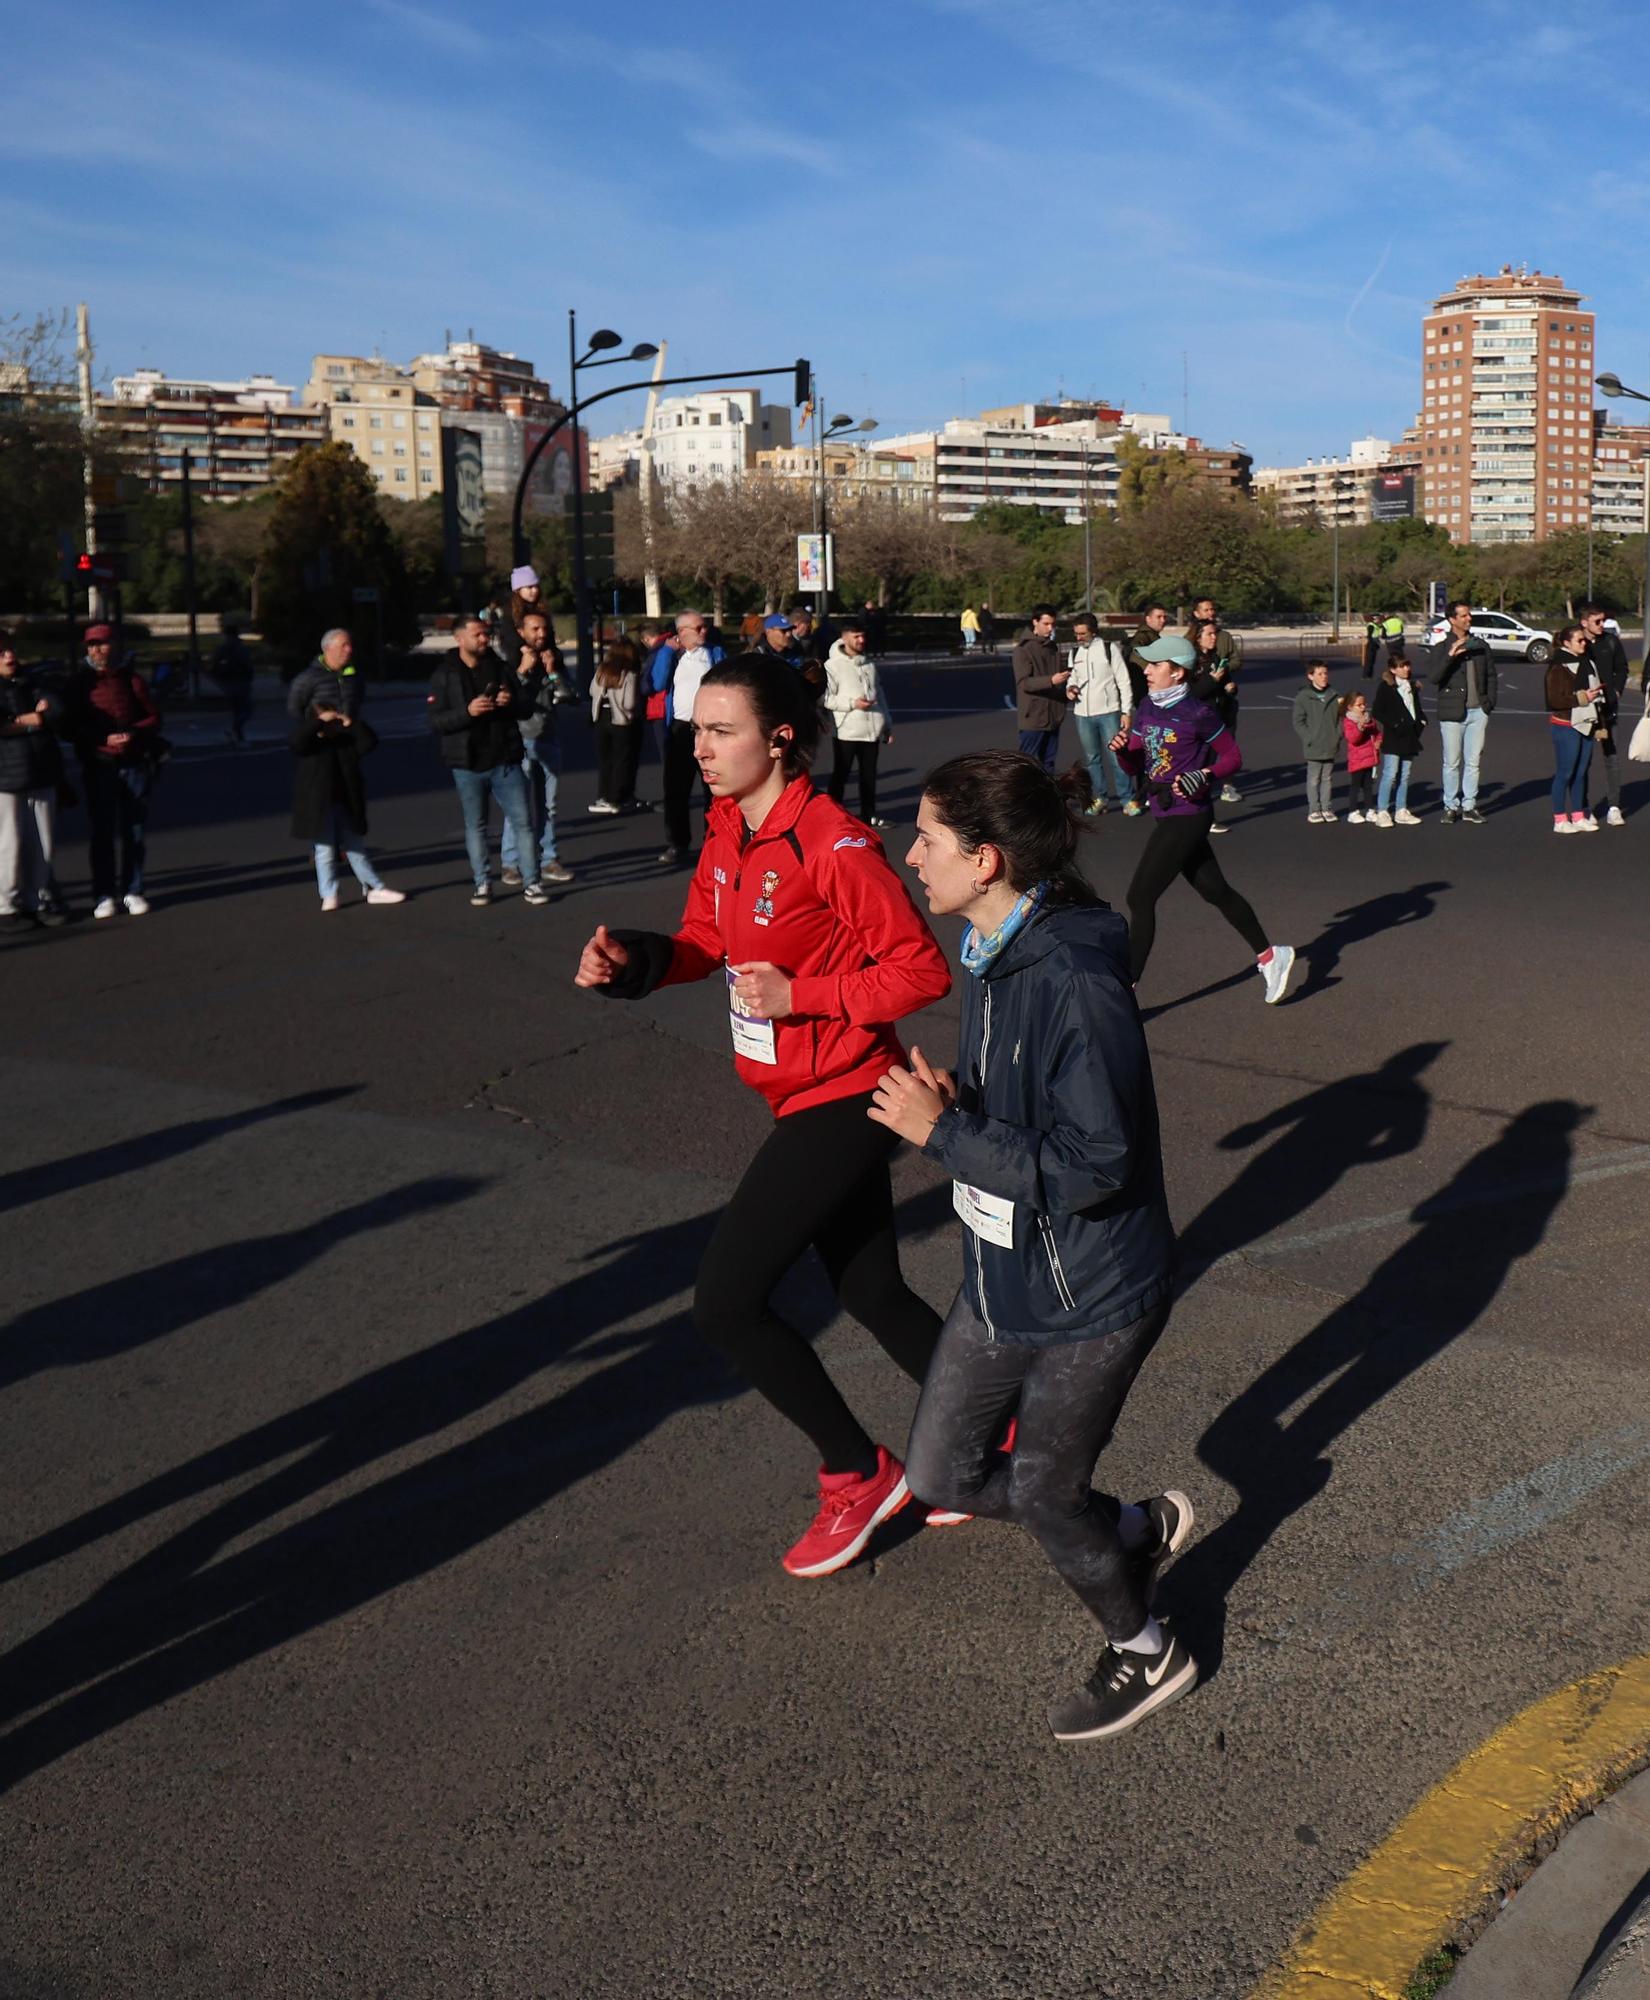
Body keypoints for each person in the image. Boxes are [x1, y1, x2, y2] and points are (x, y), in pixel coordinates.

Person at [574, 655, 952, 1577]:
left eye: (720, 731)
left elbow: (922, 971)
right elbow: (706, 942)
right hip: (798, 1092)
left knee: (726, 1305)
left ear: (779, 738)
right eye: (696, 730)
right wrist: (635, 961)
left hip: (849, 1095)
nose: (699, 748)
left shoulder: (836, 844)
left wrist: (804, 994)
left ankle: (858, 1475)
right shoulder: (728, 832)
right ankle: (997, 1431)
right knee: (870, 1292)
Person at [875, 750, 1196, 1742]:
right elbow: (1038, 1110)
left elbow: (1100, 1160)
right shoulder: (992, 947)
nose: (911, 852)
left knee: (1049, 1492)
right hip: (1004, 1269)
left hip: (1091, 1294)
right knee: (940, 1472)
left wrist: (947, 1133)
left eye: (928, 838)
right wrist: (968, 1105)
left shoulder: (1073, 976)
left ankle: (1149, 1649)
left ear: (987, 858)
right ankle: (1133, 1529)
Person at [1111, 635, 1294, 1000]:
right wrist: (1121, 751)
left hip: (1189, 814)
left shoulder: (1199, 712)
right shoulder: (1147, 707)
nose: (1146, 670)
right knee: (1216, 891)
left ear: (1177, 672)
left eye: (1154, 665)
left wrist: (1206, 775)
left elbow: (1232, 757)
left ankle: (1124, 991)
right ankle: (1272, 956)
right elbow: (1136, 760)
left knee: (1139, 897)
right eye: (1146, 664)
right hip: (1163, 811)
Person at [427, 613, 547, 907]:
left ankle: (532, 882)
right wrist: (468, 712)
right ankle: (483, 883)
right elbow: (435, 722)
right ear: (459, 639)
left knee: (523, 823)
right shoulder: (445, 674)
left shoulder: (500, 667)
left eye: (485, 634)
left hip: (505, 758)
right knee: (476, 826)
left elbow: (525, 707)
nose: (484, 639)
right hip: (467, 763)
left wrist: (510, 702)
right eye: (477, 635)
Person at [72, 623, 161, 919]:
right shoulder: (79, 683)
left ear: (115, 646)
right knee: (102, 833)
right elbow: (70, 726)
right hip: (99, 764)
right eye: (91, 645)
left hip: (133, 763)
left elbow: (153, 717)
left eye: (102, 644)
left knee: (134, 832)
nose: (96, 650)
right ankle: (103, 894)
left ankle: (133, 890)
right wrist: (100, 739)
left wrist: (133, 733)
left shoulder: (132, 680)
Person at [289, 699, 404, 910]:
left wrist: (350, 722)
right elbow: (296, 741)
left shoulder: (345, 742)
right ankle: (329, 894)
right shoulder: (311, 746)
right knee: (324, 851)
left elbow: (369, 742)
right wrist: (317, 723)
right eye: (326, 721)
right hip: (319, 806)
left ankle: (373, 887)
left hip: (345, 802)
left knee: (355, 847)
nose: (331, 725)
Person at [500, 609, 576, 887]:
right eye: (534, 629)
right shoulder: (510, 661)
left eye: (544, 629)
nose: (541, 635)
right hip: (520, 740)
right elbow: (506, 697)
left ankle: (549, 859)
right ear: (521, 632)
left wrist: (554, 672)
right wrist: (522, 669)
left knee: (549, 805)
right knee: (517, 807)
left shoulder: (552, 658)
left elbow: (571, 696)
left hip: (549, 737)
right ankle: (511, 862)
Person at [0, 629, 68, 931]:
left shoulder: (33, 680)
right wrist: (33, 720)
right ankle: (6, 905)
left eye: (10, 649)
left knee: (43, 842)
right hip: (6, 774)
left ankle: (36, 900)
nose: (9, 656)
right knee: (9, 843)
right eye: (1, 652)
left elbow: (57, 711)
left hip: (42, 769)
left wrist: (20, 722)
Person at [656, 609, 724, 864]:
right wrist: (665, 651)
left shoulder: (714, 653)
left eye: (705, 627)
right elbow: (657, 682)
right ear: (682, 632)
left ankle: (715, 840)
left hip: (709, 728)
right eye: (698, 628)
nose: (704, 631)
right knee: (676, 789)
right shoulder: (673, 655)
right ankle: (677, 842)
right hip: (680, 728)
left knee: (714, 787)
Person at [1423, 600, 1495, 824]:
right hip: (1452, 712)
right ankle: (1450, 805)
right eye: (1463, 616)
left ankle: (1469, 806)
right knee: (1452, 762)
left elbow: (1491, 676)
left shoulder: (1480, 646)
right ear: (1452, 620)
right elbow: (1434, 677)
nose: (1468, 619)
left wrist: (1488, 704)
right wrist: (1451, 655)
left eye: (1469, 615)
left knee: (1473, 761)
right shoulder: (1441, 648)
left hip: (1477, 712)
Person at [823, 619, 892, 827]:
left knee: (868, 775)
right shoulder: (832, 666)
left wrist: (887, 723)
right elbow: (826, 699)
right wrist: (853, 703)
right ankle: (830, 815)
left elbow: (879, 694)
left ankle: (869, 814)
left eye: (863, 636)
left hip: (871, 729)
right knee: (841, 774)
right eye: (856, 636)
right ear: (844, 638)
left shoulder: (869, 664)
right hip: (847, 730)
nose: (861, 640)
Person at [1066, 614, 1132, 816]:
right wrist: (1071, 689)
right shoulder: (1074, 652)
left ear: (1093, 632)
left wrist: (1126, 711)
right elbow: (1072, 679)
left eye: (1082, 633)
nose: (1078, 637)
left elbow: (1123, 681)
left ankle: (1127, 799)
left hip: (1108, 712)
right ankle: (1100, 798)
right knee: (1092, 759)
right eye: (1076, 633)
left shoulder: (1109, 649)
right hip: (1082, 714)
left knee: (1117, 757)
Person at [1545, 622, 1605, 834]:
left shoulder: (1587, 663)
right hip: (1566, 724)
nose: (1584, 643)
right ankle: (1560, 819)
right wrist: (1582, 697)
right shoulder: (1558, 666)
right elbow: (1554, 699)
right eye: (1579, 640)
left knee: (1581, 772)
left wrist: (1599, 724)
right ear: (1567, 643)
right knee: (1566, 772)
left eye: (1585, 640)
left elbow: (1596, 699)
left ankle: (1579, 815)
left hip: (1587, 722)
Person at [1190, 597, 1244, 803]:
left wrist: (1228, 683)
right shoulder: (1191, 658)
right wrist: (1213, 680)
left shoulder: (1222, 643)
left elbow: (1234, 663)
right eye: (1206, 609)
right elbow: (1193, 691)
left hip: (1222, 708)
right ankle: (1195, 795)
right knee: (1201, 757)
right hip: (1202, 715)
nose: (1211, 612)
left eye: (1213, 609)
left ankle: (1226, 785)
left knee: (1228, 751)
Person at [1581, 601, 1630, 827]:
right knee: (1583, 760)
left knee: (1611, 757)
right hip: (1583, 710)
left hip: (1608, 708)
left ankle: (1614, 806)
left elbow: (1622, 668)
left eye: (1603, 620)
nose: (1602, 625)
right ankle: (1583, 807)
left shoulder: (1610, 641)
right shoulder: (1577, 643)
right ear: (1584, 622)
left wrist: (1617, 690)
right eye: (1597, 621)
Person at [1370, 648, 1426, 828]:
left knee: (1405, 775)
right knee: (1390, 774)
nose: (1406, 669)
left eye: (1407, 665)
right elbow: (1378, 711)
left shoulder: (1412, 686)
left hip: (1410, 736)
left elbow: (1416, 708)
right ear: (1393, 670)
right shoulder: (1386, 687)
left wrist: (1422, 722)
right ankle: (1383, 811)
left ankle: (1401, 809)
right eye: (1401, 667)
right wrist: (1394, 724)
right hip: (1394, 737)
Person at [590, 635, 644, 814]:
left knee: (605, 759)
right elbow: (629, 703)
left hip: (600, 716)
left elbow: (592, 690)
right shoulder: (629, 674)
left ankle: (603, 796)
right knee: (622, 759)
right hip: (621, 719)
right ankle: (617, 797)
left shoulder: (602, 670)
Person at [1012, 605, 1070, 772]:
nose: (1050, 628)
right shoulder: (1023, 650)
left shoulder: (1053, 648)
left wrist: (1067, 692)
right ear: (1035, 622)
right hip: (1033, 718)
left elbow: (1060, 678)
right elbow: (1024, 683)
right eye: (1046, 623)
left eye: (1052, 624)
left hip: (1053, 716)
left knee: (1049, 764)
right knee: (1026, 765)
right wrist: (1051, 680)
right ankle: (1022, 797)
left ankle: (1047, 797)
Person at [1292, 659, 1341, 823]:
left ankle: (1326, 808)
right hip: (1313, 745)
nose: (1324, 677)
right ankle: (1314, 809)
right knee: (1314, 779)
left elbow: (1339, 719)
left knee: (1327, 778)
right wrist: (1309, 737)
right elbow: (1298, 721)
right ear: (1310, 676)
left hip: (1330, 743)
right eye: (1319, 674)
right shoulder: (1303, 697)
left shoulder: (1333, 695)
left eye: (1325, 673)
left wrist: (1337, 735)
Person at [287, 627, 362, 722]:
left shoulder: (355, 676)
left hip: (348, 732)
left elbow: (358, 702)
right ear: (328, 648)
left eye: (350, 645)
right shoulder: (307, 678)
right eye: (344, 645)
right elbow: (294, 709)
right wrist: (317, 723)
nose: (349, 649)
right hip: (319, 733)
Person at [495, 565, 558, 675]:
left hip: (543, 656)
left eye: (536, 586)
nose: (534, 591)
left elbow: (549, 632)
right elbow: (508, 632)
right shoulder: (509, 609)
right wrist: (521, 646)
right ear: (518, 589)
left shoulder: (542, 608)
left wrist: (550, 649)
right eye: (529, 587)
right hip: (519, 655)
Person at [1340, 690, 1382, 824]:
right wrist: (1360, 727)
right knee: (1356, 786)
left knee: (1368, 786)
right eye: (1359, 705)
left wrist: (1378, 741)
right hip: (1357, 760)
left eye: (1364, 704)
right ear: (1350, 707)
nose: (1363, 707)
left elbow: (1378, 733)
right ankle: (1353, 811)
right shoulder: (1349, 721)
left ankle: (1370, 810)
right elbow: (1353, 739)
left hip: (1370, 758)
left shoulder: (1369, 719)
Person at [210, 622, 255, 746]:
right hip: (240, 681)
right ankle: (236, 731)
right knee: (246, 710)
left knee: (237, 710)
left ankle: (237, 734)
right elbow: (247, 664)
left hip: (227, 682)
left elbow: (214, 665)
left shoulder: (222, 649)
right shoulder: (240, 648)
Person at [1361, 612, 1382, 680]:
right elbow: (1370, 636)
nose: (1379, 620)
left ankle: (1369, 675)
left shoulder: (1375, 625)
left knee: (1372, 661)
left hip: (1374, 643)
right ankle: (1366, 675)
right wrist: (1374, 643)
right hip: (1371, 644)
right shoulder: (1371, 625)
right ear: (1374, 619)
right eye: (1377, 618)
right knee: (1369, 661)